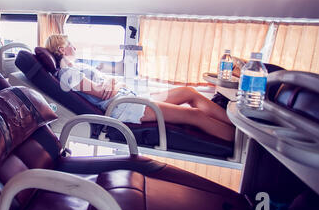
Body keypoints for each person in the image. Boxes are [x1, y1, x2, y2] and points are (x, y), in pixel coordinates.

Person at [45, 34, 235, 141]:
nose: (75, 48)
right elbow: (101, 92)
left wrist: (113, 82)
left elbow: (110, 84)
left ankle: (233, 123)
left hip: (128, 97)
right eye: (71, 45)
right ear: (62, 50)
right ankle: (237, 140)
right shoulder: (67, 74)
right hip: (125, 108)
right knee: (194, 115)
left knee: (188, 92)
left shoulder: (76, 68)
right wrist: (112, 82)